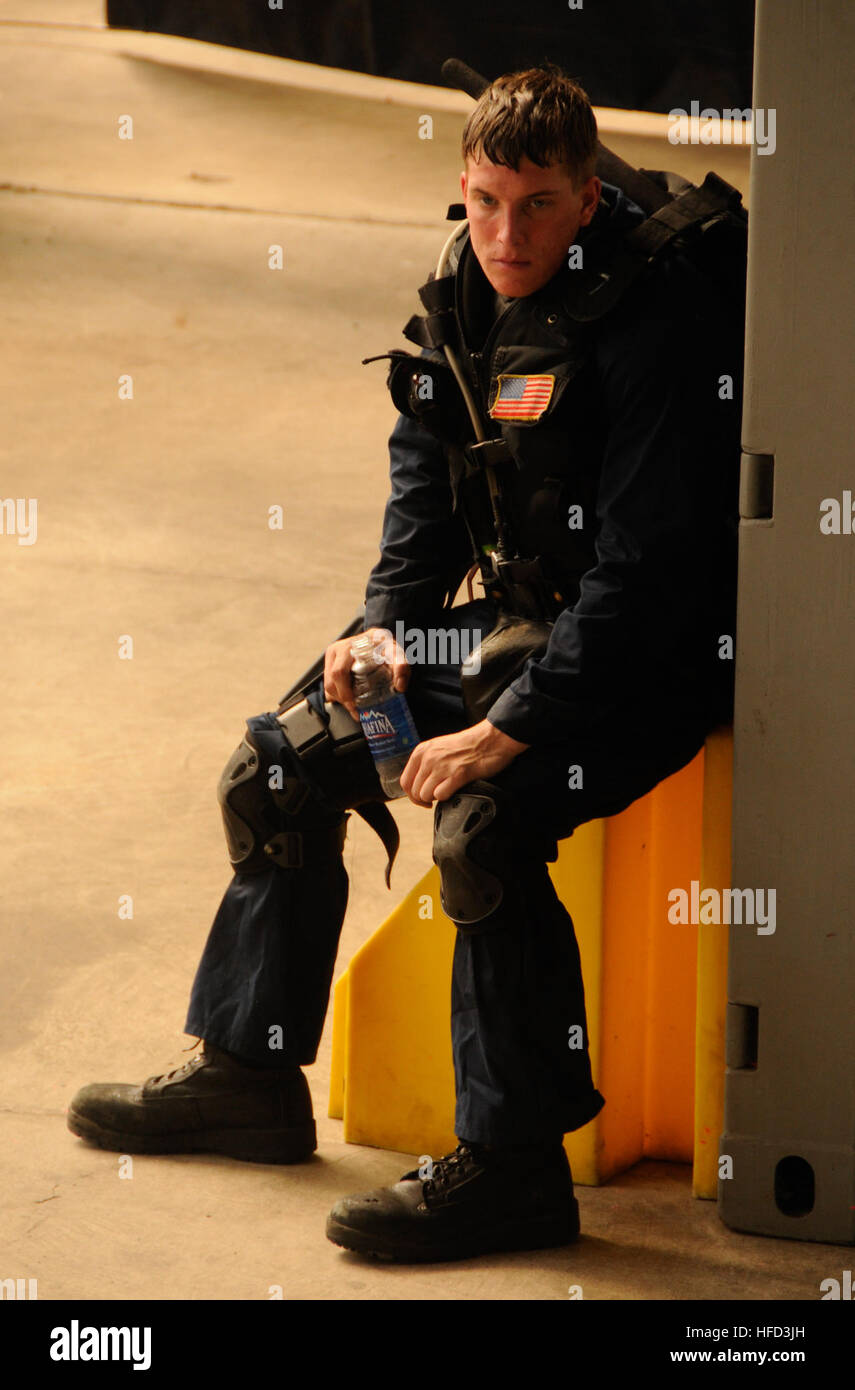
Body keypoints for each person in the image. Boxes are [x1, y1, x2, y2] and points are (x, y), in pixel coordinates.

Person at [67, 65, 741, 1264]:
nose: (504, 234)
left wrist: (513, 725)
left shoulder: (659, 325)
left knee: (482, 827)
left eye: (535, 206)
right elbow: (428, 494)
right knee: (276, 764)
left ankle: (515, 1167)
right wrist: (383, 627)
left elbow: (644, 580)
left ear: (588, 198)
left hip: (650, 660)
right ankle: (250, 1075)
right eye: (482, 201)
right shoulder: (463, 292)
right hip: (517, 628)